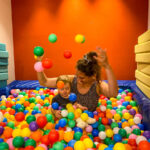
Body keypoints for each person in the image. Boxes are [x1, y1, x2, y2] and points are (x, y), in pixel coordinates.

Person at [37, 47, 118, 112]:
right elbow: (44, 82)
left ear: (92, 76)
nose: (78, 80)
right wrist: (39, 62)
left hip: (90, 123)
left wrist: (107, 66)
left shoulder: (97, 85)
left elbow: (113, 93)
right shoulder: (71, 80)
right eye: (77, 75)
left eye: (82, 78)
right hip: (69, 119)